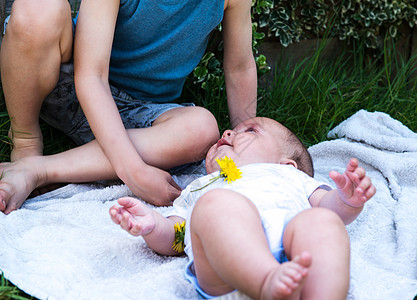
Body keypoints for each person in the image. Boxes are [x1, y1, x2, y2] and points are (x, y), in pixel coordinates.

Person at [0, 0, 257, 208]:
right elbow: (91, 76)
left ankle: (38, 169)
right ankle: (26, 143)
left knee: (200, 128)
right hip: (70, 84)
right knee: (38, 8)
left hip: (139, 113)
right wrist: (133, 172)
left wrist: (248, 141)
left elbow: (239, 67)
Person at [110, 117, 376, 299]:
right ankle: (266, 280)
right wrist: (153, 225)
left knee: (321, 222)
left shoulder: (291, 178)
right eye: (231, 130)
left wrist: (347, 201)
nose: (227, 133)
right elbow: (177, 237)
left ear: (286, 164)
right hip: (226, 273)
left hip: (298, 259)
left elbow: (330, 210)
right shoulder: (201, 187)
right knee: (216, 206)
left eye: (250, 130)